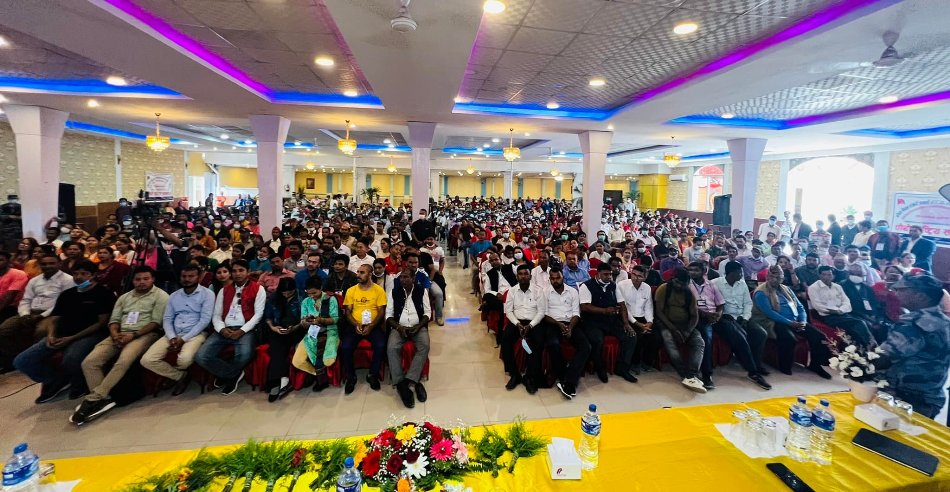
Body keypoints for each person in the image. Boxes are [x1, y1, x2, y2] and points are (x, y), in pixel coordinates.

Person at [71, 266, 169, 425]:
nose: (141, 282)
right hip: (119, 333)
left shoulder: (161, 296)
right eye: (138, 279)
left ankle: (94, 398)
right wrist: (115, 334)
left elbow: (155, 322)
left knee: (123, 361)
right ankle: (103, 398)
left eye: (146, 279)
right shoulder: (124, 297)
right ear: (133, 280)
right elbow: (114, 320)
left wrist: (133, 335)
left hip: (144, 334)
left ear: (153, 279)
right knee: (89, 362)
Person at [13, 260, 114, 403]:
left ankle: (79, 384)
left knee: (71, 359)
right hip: (61, 334)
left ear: (93, 275)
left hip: (89, 335)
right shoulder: (67, 294)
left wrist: (72, 338)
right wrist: (51, 335)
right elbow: (54, 318)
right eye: (76, 274)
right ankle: (55, 380)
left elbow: (100, 323)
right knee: (21, 361)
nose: (79, 277)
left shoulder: (103, 293)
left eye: (84, 274)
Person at [877, 274, 950, 420]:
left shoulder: (913, 323)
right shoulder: (944, 321)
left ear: (920, 296)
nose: (896, 292)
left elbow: (885, 358)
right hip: (930, 395)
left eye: (901, 289)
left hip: (904, 397)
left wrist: (855, 363)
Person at [140, 265, 215, 396]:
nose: (187, 279)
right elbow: (167, 319)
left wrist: (184, 339)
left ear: (199, 277)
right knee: (147, 360)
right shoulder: (174, 296)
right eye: (184, 276)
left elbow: (204, 321)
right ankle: (179, 376)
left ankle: (174, 376)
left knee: (184, 360)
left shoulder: (207, 294)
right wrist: (172, 337)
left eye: (191, 276)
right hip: (173, 333)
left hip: (196, 333)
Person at [195, 259, 266, 395]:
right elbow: (216, 315)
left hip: (246, 329)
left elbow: (258, 315)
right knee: (201, 356)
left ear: (248, 272)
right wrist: (221, 329)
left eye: (241, 270)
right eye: (234, 271)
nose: (237, 274)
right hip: (224, 328)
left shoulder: (258, 289)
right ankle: (233, 374)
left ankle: (226, 375)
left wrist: (242, 331)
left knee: (244, 354)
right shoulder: (224, 290)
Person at [752, 266, 831, 379]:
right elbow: (769, 313)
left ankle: (815, 365)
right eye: (772, 276)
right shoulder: (761, 292)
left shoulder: (786, 289)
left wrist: (803, 321)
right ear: (767, 277)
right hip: (773, 321)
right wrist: (789, 322)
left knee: (819, 336)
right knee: (789, 338)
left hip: (796, 321)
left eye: (778, 277)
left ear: (782, 278)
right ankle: (784, 367)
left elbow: (800, 306)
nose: (774, 279)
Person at [0, 254, 73, 372]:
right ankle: (14, 359)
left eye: (51, 263)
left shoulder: (68, 280)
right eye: (44, 264)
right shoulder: (35, 280)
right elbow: (26, 299)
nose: (47, 266)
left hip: (52, 314)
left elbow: (62, 304)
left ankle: (38, 362)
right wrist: (24, 314)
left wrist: (41, 316)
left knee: (41, 331)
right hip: (30, 312)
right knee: (4, 330)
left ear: (59, 264)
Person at [712, 261, 771, 389]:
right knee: (741, 337)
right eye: (740, 273)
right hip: (724, 319)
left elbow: (748, 303)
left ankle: (756, 364)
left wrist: (745, 318)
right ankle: (753, 372)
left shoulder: (742, 283)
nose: (742, 275)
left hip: (741, 317)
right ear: (731, 273)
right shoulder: (715, 283)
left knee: (761, 333)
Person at [579, 263, 638, 384]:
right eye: (605, 274)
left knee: (631, 336)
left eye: (610, 274)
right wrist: (604, 311)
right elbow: (585, 307)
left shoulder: (613, 285)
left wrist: (626, 323)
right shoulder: (586, 286)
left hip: (611, 320)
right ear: (598, 274)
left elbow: (622, 305)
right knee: (597, 340)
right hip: (593, 321)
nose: (609, 277)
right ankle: (600, 369)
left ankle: (622, 368)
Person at [655, 268, 706, 393]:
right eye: (677, 282)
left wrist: (688, 331)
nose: (679, 286)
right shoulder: (664, 289)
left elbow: (694, 316)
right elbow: (659, 312)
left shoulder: (688, 292)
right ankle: (684, 373)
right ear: (673, 279)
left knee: (699, 342)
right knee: (669, 340)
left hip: (685, 324)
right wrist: (674, 329)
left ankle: (692, 374)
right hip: (667, 324)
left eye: (683, 284)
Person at [386, 268, 431, 408]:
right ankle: (400, 382)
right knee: (391, 348)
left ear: (413, 279)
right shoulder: (394, 292)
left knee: (424, 345)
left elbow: (428, 313)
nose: (403, 280)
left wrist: (418, 327)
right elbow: (388, 315)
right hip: (399, 327)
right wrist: (399, 328)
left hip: (418, 326)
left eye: (406, 277)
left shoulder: (421, 291)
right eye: (401, 277)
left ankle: (409, 380)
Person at [340, 264, 387, 394]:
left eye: (362, 272)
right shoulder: (351, 290)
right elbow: (348, 312)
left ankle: (373, 374)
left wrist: (371, 326)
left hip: (373, 325)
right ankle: (351, 377)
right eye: (358, 272)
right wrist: (356, 324)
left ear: (370, 274)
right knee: (346, 347)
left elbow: (381, 312)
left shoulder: (378, 290)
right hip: (355, 325)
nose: (358, 275)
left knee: (381, 345)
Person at [501, 264, 545, 394]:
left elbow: (541, 312)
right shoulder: (512, 291)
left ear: (530, 276)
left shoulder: (538, 291)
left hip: (534, 322)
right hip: (517, 322)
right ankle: (514, 374)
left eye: (526, 274)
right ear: (517, 277)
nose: (523, 276)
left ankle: (530, 376)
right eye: (520, 274)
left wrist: (531, 325)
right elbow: (508, 311)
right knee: (505, 340)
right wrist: (517, 324)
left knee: (539, 342)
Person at [292, 276, 340, 392]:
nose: (311, 296)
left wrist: (321, 320)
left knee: (328, 361)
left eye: (314, 293)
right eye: (308, 293)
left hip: (329, 331)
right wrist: (305, 322)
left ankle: (320, 375)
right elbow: (303, 321)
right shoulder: (306, 301)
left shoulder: (330, 299)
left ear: (321, 288)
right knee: (297, 362)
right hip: (312, 333)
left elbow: (335, 319)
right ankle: (317, 374)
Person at [807, 266, 874, 348]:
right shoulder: (813, 288)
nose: (827, 277)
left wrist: (840, 310)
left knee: (863, 325)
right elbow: (817, 306)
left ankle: (864, 349)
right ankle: (871, 346)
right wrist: (834, 311)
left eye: (829, 274)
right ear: (819, 275)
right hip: (828, 317)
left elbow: (847, 303)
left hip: (843, 314)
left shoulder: (837, 286)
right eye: (824, 275)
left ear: (833, 275)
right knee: (859, 323)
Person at [263, 277, 304, 402]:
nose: (286, 295)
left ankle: (279, 381)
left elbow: (304, 319)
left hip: (296, 329)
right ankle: (279, 381)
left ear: (294, 289)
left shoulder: (301, 298)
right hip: (278, 329)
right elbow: (268, 317)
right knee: (277, 349)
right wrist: (273, 328)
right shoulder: (274, 298)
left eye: (289, 292)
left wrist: (294, 327)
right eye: (284, 292)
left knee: (285, 346)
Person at [687, 261, 725, 390]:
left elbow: (720, 303)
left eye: (696, 270)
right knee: (706, 339)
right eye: (690, 270)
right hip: (698, 317)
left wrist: (718, 314)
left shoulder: (711, 285)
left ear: (704, 272)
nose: (692, 273)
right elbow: (688, 306)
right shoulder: (687, 285)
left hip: (714, 316)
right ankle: (707, 374)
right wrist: (705, 314)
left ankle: (753, 370)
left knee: (737, 332)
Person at [617, 265, 660, 374]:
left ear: (645, 277)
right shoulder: (622, 285)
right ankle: (635, 363)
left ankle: (647, 362)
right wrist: (637, 323)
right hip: (626, 318)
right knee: (637, 336)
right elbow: (624, 308)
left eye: (639, 276)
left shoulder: (647, 287)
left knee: (656, 336)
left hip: (642, 318)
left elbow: (648, 307)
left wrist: (649, 322)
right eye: (634, 274)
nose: (635, 278)